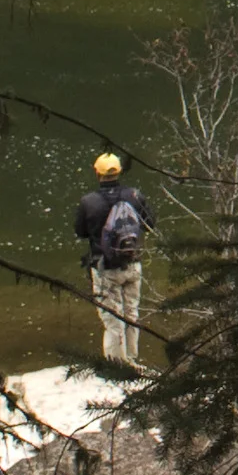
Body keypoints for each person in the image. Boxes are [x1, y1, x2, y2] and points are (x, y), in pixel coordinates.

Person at [75, 148, 150, 367]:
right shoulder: (134, 196)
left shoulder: (89, 202)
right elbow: (149, 224)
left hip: (105, 267)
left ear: (97, 174)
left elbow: (80, 232)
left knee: (112, 318)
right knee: (131, 313)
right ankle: (133, 359)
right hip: (133, 263)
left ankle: (117, 366)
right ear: (119, 172)